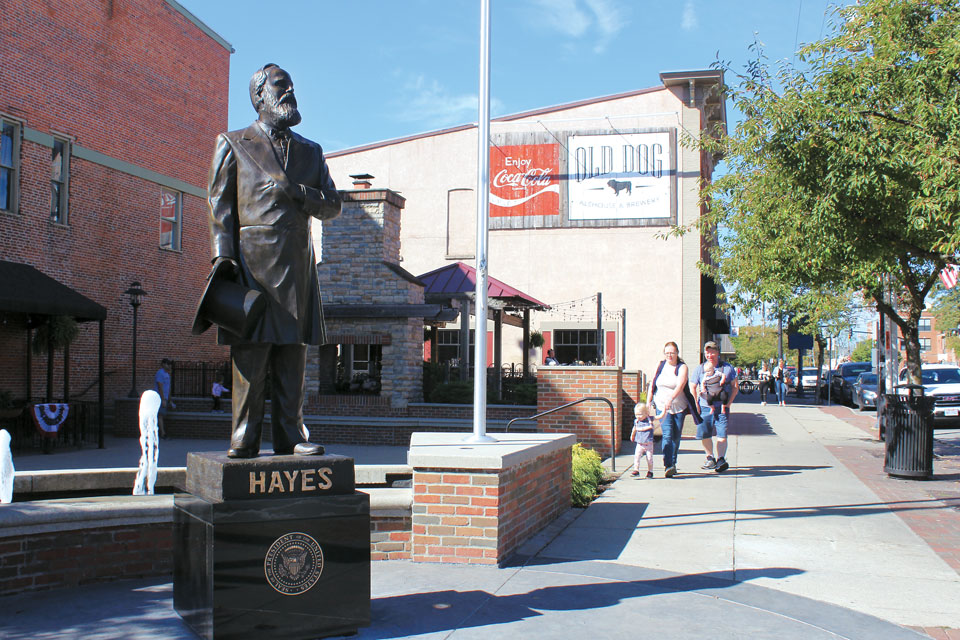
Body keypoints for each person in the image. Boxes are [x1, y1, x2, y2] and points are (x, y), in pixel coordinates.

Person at [202, 63, 341, 458]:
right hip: (251, 266)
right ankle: (243, 437)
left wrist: (299, 193)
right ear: (258, 96)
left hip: (296, 267)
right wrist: (223, 257)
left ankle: (291, 435)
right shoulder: (233, 143)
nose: (289, 92)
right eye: (281, 86)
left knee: (291, 356)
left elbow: (333, 204)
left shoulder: (310, 152)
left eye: (291, 86)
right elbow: (219, 206)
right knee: (252, 352)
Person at [646, 341, 701, 478]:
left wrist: (671, 398)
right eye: (667, 353)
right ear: (664, 354)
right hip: (661, 406)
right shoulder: (660, 365)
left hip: (679, 406)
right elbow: (653, 384)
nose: (669, 355)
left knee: (676, 436)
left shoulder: (682, 367)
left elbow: (681, 384)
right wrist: (648, 402)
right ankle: (668, 464)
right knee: (667, 435)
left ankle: (673, 462)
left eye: (672, 353)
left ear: (677, 353)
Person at [691, 341, 737, 473]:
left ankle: (721, 459)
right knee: (705, 434)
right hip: (705, 406)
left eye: (712, 351)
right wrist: (696, 404)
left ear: (718, 352)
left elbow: (735, 387)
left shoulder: (727, 368)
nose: (709, 354)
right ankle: (710, 457)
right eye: (707, 352)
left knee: (722, 434)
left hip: (721, 407)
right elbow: (693, 386)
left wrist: (728, 404)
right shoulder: (700, 368)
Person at [629, 404, 655, 478]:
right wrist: (632, 435)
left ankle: (650, 471)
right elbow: (634, 429)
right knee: (637, 457)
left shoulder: (649, 420)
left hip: (648, 444)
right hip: (640, 444)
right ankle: (636, 470)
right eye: (636, 414)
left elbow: (659, 417)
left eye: (640, 414)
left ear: (646, 413)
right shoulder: (637, 421)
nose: (638, 416)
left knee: (649, 458)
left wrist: (664, 411)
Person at [154, 358, 175, 439]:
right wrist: (162, 399)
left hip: (165, 398)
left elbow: (167, 388)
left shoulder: (167, 375)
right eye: (167, 364)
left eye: (169, 364)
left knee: (161, 415)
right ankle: (162, 433)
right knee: (160, 415)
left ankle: (161, 432)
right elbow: (160, 386)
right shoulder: (160, 373)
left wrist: (169, 400)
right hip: (160, 398)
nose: (169, 366)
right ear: (163, 364)